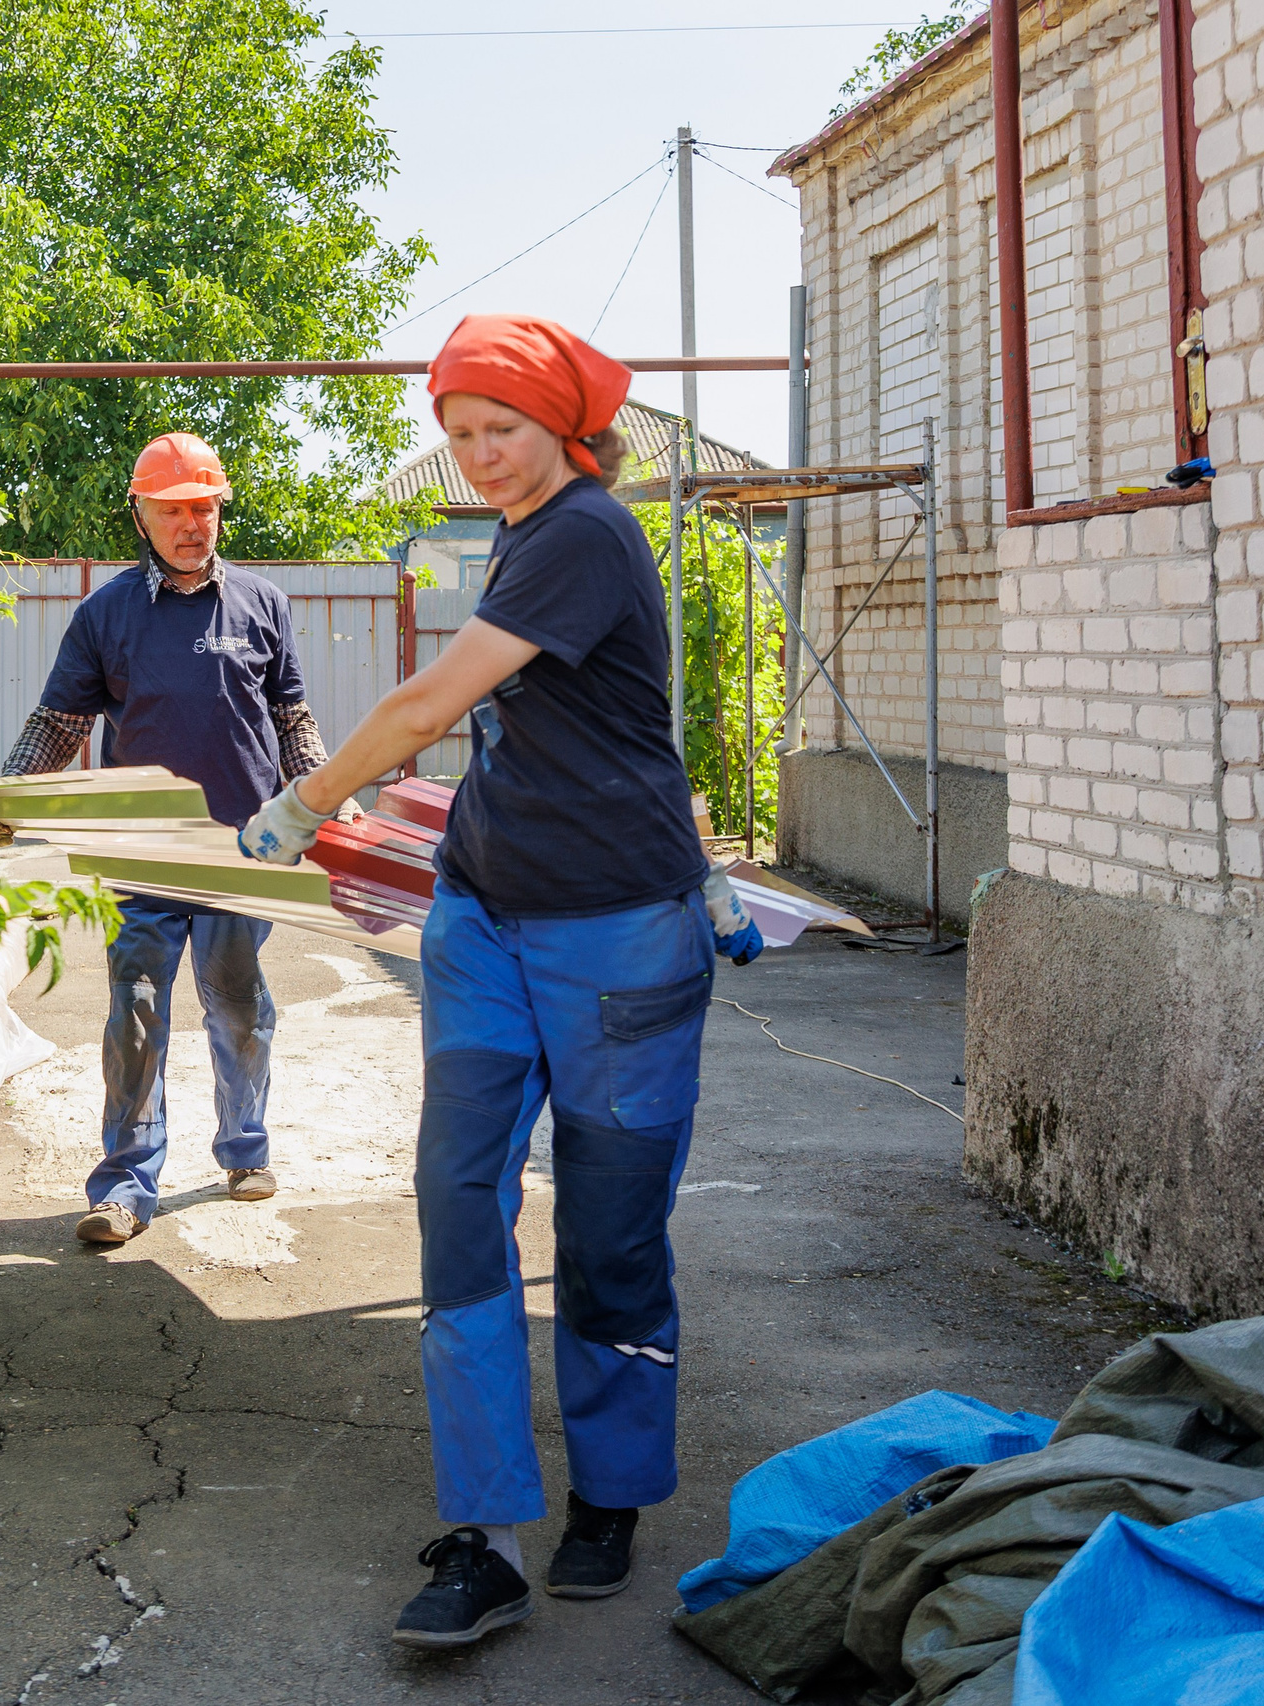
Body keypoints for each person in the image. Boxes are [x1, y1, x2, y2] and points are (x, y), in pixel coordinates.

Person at [237, 315, 767, 1648]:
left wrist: (305, 802)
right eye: (459, 434)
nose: (479, 458)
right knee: (459, 1203)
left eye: (503, 432)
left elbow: (426, 705)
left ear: (564, 430)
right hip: (482, 919)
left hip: (615, 942)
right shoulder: (531, 535)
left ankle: (614, 1492)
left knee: (607, 1228)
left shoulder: (585, 528)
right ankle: (483, 1532)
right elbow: (603, 720)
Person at [0, 431, 349, 1241]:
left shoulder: (262, 603)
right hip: (142, 848)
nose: (193, 524)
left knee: (239, 1007)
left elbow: (292, 715)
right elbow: (60, 720)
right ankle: (123, 1187)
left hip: (243, 847)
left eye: (205, 508)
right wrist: (12, 792)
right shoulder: (106, 613)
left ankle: (245, 1150)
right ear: (141, 515)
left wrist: (323, 792)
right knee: (137, 1013)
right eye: (175, 509)